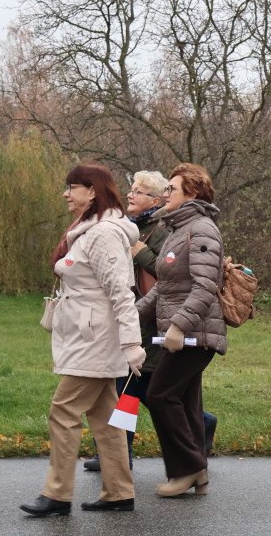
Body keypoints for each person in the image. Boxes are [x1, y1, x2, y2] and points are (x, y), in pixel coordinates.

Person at [20, 164, 146, 517]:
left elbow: (122, 292)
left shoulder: (103, 233)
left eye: (72, 187)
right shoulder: (87, 230)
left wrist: (131, 344)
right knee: (106, 416)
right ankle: (119, 491)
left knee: (63, 411)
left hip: (96, 339)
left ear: (92, 191)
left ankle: (57, 494)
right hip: (88, 335)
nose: (66, 193)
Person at [84, 171, 218, 472]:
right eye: (131, 189)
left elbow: (171, 277)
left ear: (155, 200)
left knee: (131, 388)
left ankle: (122, 455)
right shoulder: (134, 228)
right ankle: (198, 430)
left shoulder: (162, 230)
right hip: (140, 314)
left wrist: (142, 255)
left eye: (139, 191)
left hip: (159, 323)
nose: (130, 195)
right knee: (140, 389)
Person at [136, 163, 226, 497]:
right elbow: (165, 287)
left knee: (159, 394)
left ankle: (187, 469)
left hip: (196, 335)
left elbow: (205, 287)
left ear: (192, 193)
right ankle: (197, 473)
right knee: (185, 402)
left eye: (171, 189)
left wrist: (177, 326)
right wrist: (133, 315)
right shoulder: (178, 229)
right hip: (183, 332)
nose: (165, 194)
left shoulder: (201, 229)